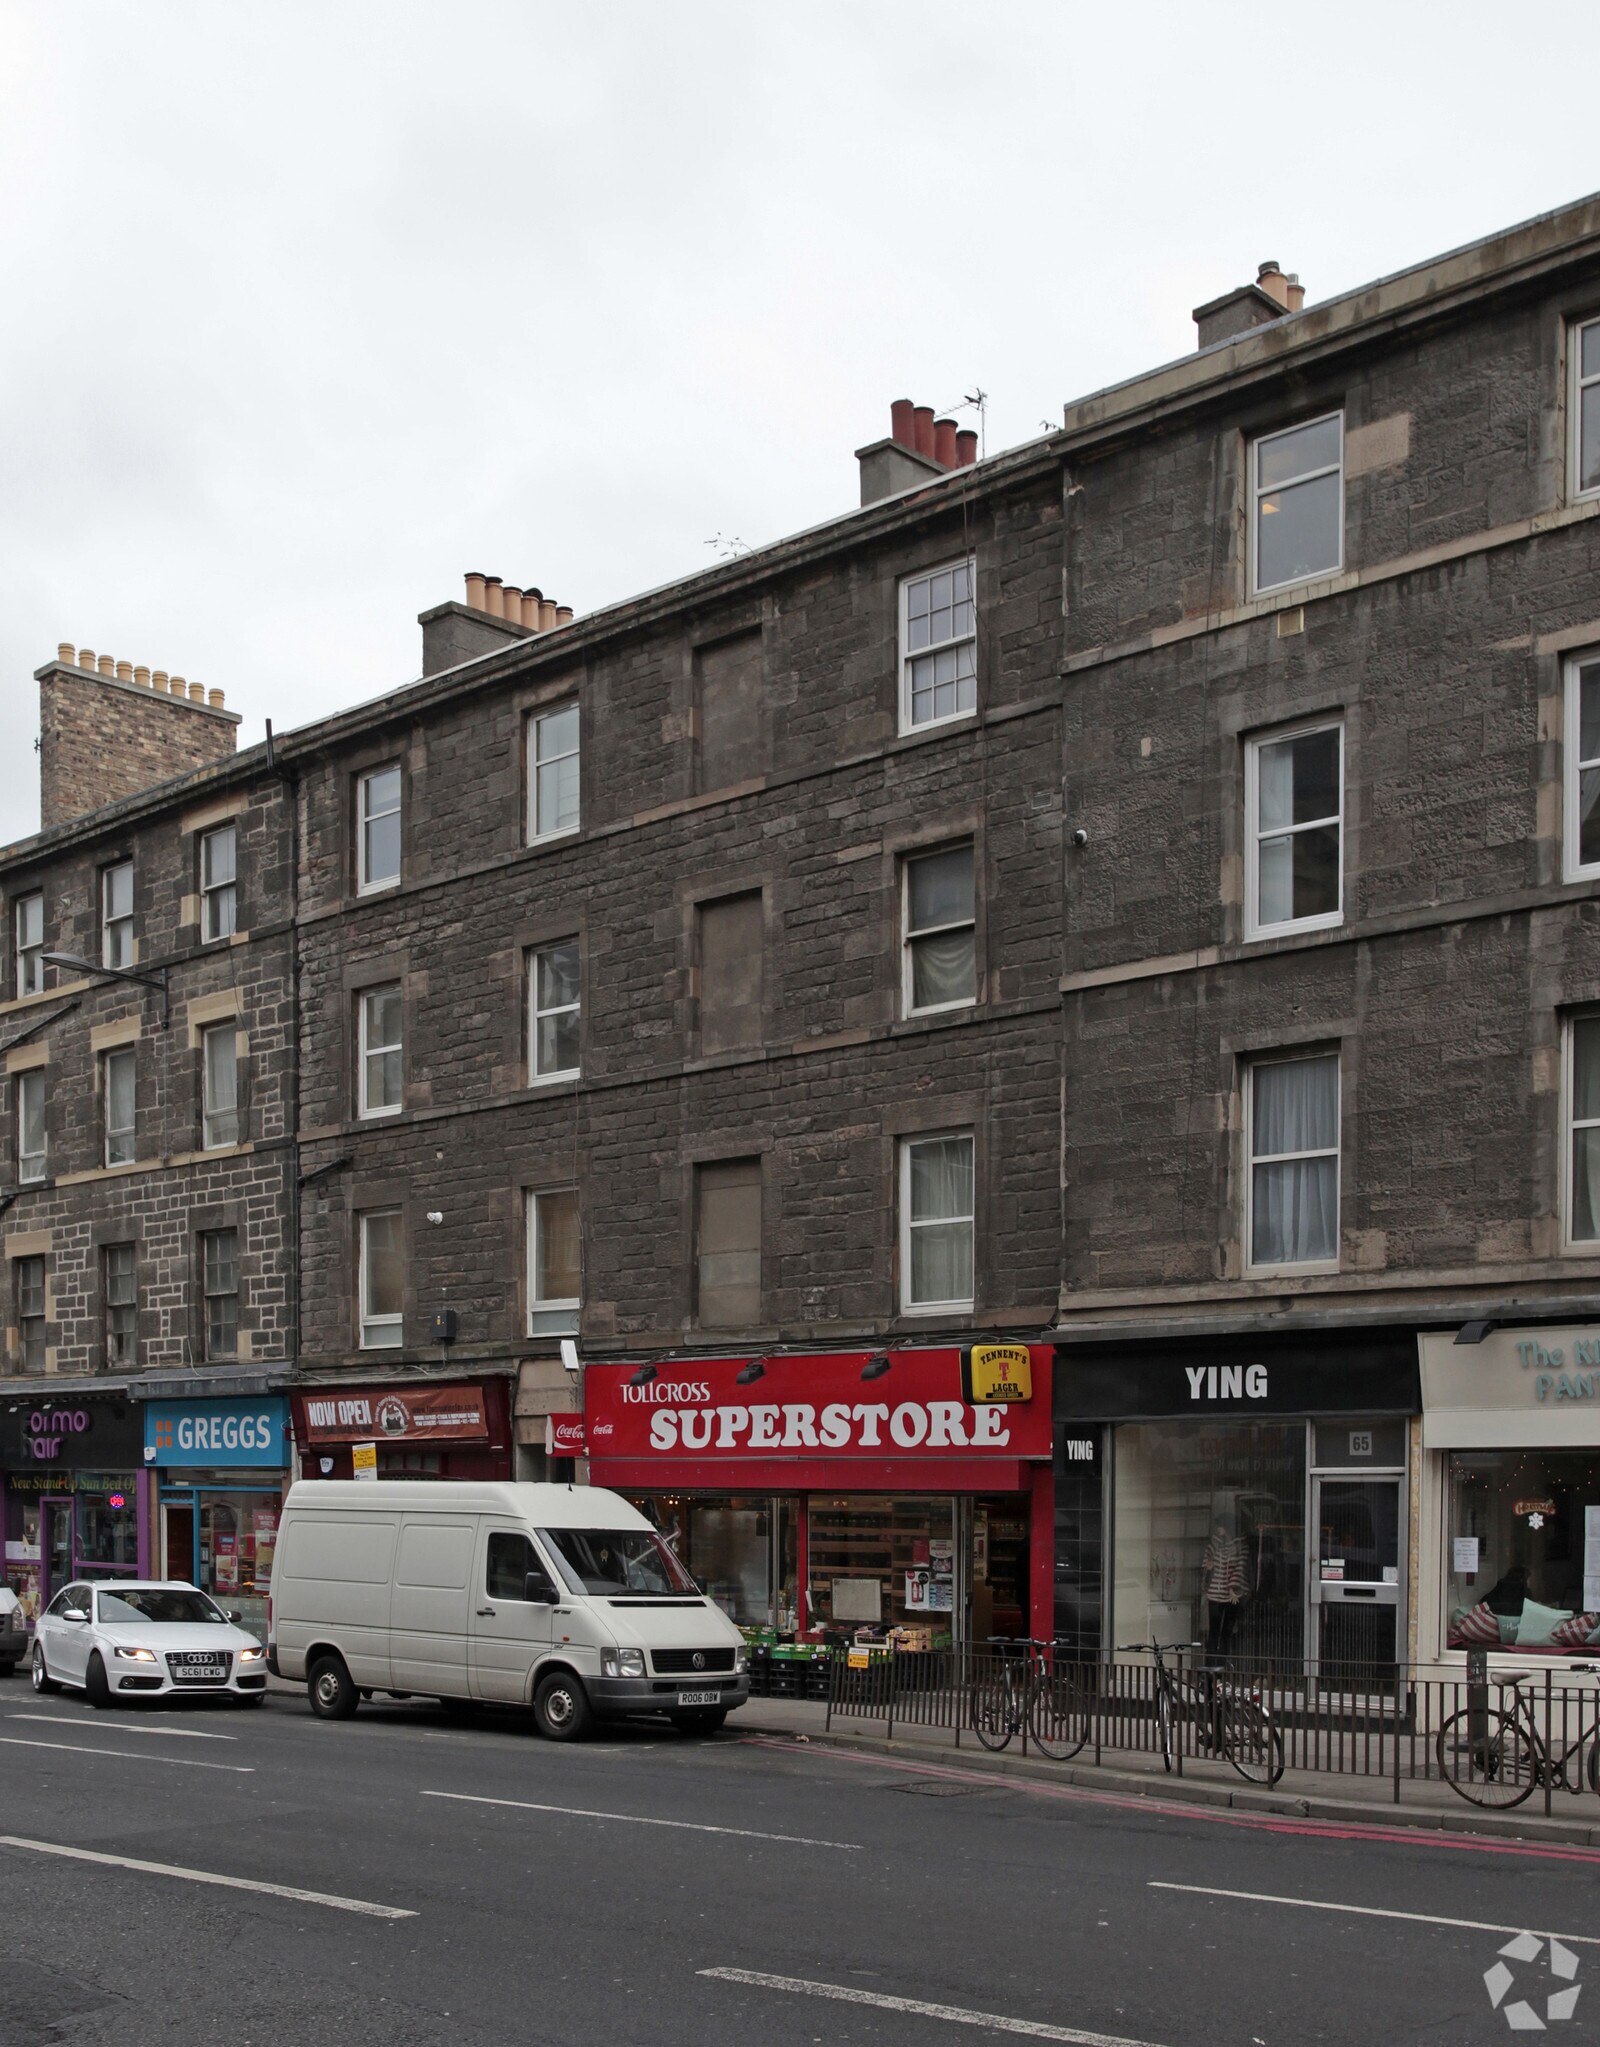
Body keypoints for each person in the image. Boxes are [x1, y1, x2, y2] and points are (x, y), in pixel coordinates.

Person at [1202, 1518, 1248, 1662]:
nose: (1218, 1529)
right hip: (1215, 1595)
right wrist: (1208, 1570)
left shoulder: (1239, 1547)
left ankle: (1222, 1666)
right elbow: (1206, 1565)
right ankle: (1210, 1667)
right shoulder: (1214, 1546)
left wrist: (1232, 1588)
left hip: (1232, 1596)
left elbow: (1240, 1566)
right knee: (1213, 1633)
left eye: (1221, 1526)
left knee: (1227, 1633)